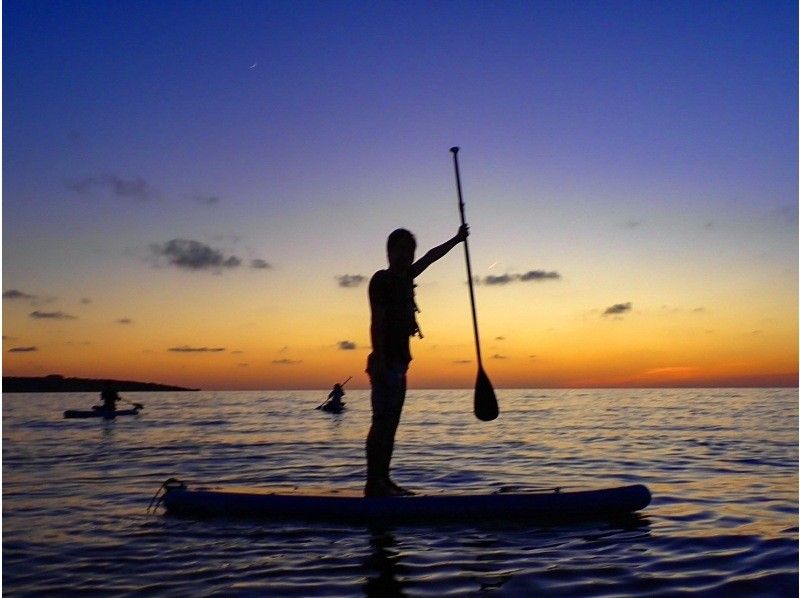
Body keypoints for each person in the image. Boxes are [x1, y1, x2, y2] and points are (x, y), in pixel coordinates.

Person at [365, 224, 469, 497]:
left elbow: (432, 256)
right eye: (400, 250)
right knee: (381, 423)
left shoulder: (407, 276)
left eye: (409, 252)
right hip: (385, 363)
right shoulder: (382, 280)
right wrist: (382, 360)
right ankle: (373, 482)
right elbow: (376, 321)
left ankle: (383, 481)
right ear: (389, 252)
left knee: (392, 425)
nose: (405, 256)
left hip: (400, 364)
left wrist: (457, 239)